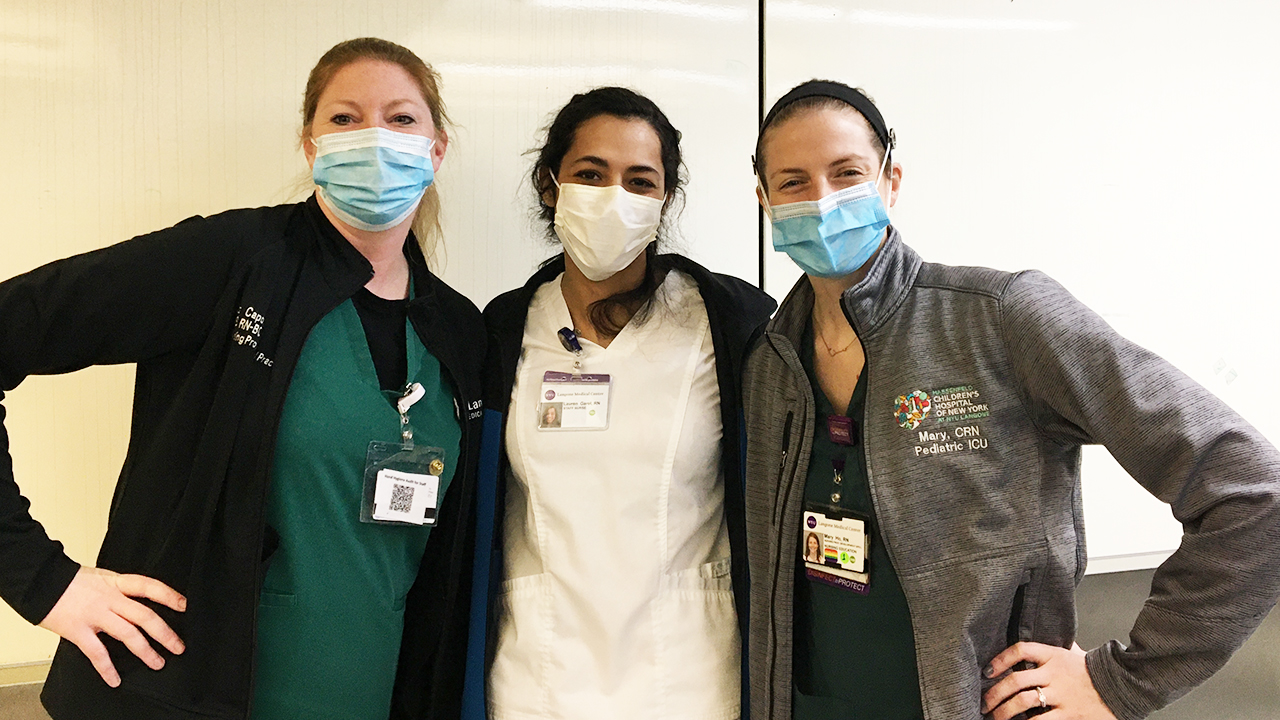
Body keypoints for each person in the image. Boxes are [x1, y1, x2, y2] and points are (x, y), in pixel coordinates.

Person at [742, 79, 1280, 720]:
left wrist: (1123, 681)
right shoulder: (770, 361)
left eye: (847, 173)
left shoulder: (1001, 318)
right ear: (764, 198)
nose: (823, 202)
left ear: (891, 180)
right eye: (794, 183)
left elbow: (1252, 492)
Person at [0, 38, 484, 720]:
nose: (375, 137)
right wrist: (40, 580)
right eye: (345, 119)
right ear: (311, 146)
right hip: (187, 693)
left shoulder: (459, 331)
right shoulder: (231, 263)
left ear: (435, 152)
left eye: (401, 119)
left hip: (369, 690)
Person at [462, 87, 776, 720]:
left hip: (691, 676)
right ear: (550, 186)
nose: (615, 198)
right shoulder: (499, 331)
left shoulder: (730, 323)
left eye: (641, 181)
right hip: (537, 675)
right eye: (590, 174)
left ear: (665, 200)